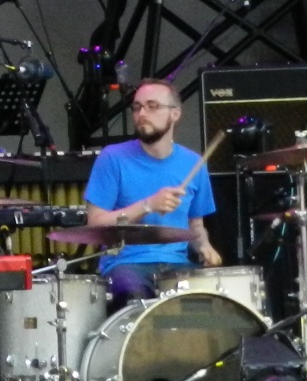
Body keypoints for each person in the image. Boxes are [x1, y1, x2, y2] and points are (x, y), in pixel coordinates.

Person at [83, 77, 221, 307]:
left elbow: (195, 225)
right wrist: (148, 205)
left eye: (152, 106)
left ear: (175, 114)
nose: (142, 114)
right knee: (134, 297)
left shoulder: (194, 163)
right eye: (137, 107)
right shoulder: (112, 158)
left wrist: (204, 246)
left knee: (208, 306)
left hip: (177, 264)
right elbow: (95, 223)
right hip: (126, 264)